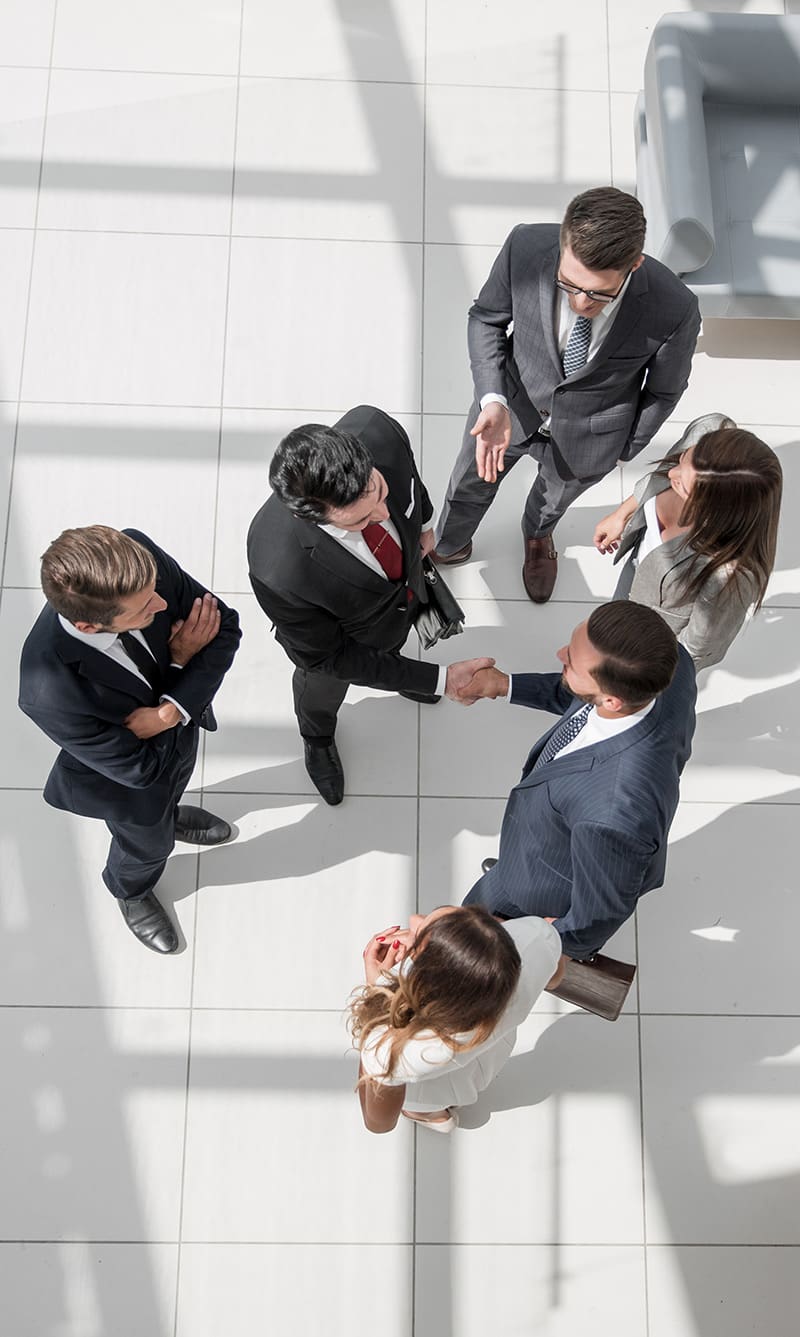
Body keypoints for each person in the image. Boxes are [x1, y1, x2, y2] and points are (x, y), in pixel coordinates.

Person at [433, 187, 700, 604]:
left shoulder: (675, 307)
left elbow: (664, 391)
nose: (579, 302)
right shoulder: (525, 246)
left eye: (597, 294)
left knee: (551, 500)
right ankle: (450, 542)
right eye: (569, 284)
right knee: (468, 481)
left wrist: (623, 447)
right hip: (509, 407)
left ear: (634, 264)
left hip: (591, 435)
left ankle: (538, 536)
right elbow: (486, 319)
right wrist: (492, 399)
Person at [247, 404, 493, 805]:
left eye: (378, 490)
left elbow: (411, 482)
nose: (382, 515)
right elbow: (334, 657)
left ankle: (398, 672)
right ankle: (317, 736)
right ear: (316, 518)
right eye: (360, 521)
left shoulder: (377, 430)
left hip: (397, 598)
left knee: (393, 639)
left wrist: (424, 525)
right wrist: (438, 679)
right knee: (321, 692)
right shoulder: (279, 568)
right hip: (340, 646)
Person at [18, 526, 241, 954]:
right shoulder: (48, 691)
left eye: (156, 592)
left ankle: (172, 815)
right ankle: (130, 889)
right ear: (88, 624)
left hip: (177, 732)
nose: (160, 605)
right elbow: (140, 770)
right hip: (128, 784)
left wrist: (167, 712)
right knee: (146, 844)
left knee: (176, 783)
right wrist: (181, 667)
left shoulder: (138, 561)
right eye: (143, 610)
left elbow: (224, 627)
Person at [459, 601, 696, 960]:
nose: (559, 654)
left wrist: (551, 943)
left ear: (613, 701)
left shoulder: (614, 811)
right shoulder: (669, 663)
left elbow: (598, 916)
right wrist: (504, 685)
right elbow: (579, 698)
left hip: (531, 891)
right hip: (556, 846)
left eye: (569, 661)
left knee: (465, 941)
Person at [350, 905, 564, 1133]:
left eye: (420, 931)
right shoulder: (537, 937)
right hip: (492, 1049)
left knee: (426, 1099)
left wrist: (378, 990)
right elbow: (554, 977)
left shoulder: (389, 1051)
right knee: (466, 1081)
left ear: (425, 981)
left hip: (429, 1086)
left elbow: (378, 1124)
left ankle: (426, 1113)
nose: (413, 919)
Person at [593, 414, 782, 670]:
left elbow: (695, 649)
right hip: (636, 577)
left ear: (719, 509)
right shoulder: (709, 431)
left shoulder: (729, 575)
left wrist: (642, 682)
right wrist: (622, 514)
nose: (672, 473)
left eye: (683, 487)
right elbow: (659, 476)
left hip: (651, 642)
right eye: (683, 460)